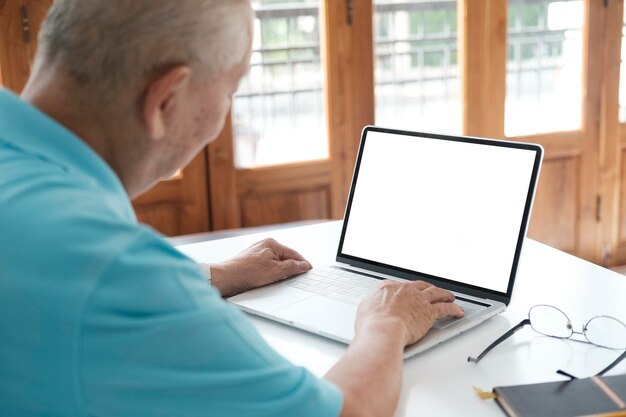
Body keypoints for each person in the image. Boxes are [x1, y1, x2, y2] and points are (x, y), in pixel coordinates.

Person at [0, 1, 464, 416]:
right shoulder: (116, 268)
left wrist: (215, 275)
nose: (224, 114)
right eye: (230, 91)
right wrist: (386, 323)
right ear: (166, 100)